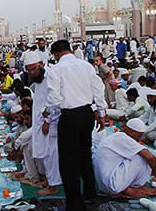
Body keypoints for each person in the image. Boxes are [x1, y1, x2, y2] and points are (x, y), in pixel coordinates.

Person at [44, 40, 106, 210]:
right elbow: (98, 89)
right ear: (71, 50)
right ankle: (89, 194)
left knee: (68, 161)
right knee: (85, 154)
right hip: (87, 114)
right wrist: (101, 112)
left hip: (69, 116)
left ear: (55, 55)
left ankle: (74, 202)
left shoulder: (55, 69)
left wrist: (49, 115)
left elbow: (54, 99)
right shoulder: (86, 66)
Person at [93, 118, 156, 198]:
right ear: (132, 132)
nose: (139, 139)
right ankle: (131, 188)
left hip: (104, 185)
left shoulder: (116, 136)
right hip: (112, 185)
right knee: (142, 157)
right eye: (138, 136)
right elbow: (150, 157)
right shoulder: (122, 137)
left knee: (137, 153)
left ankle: (128, 187)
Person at [24, 51, 61, 195]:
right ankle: (49, 180)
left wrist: (48, 120)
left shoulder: (50, 76)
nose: (32, 72)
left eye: (34, 69)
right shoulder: (38, 79)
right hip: (41, 122)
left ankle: (53, 186)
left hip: (50, 123)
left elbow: (56, 101)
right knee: (44, 153)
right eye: (29, 70)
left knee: (51, 155)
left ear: (41, 64)